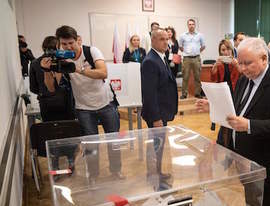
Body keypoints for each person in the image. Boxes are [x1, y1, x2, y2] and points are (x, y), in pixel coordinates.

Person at [197, 37, 270, 206]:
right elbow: (237, 109)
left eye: (247, 63)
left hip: (269, 165)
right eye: (240, 62)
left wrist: (249, 125)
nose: (241, 68)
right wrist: (214, 105)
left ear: (264, 59)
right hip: (247, 163)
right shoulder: (244, 80)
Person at [41, 25, 124, 180]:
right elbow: (52, 87)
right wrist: (47, 71)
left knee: (113, 141)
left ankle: (116, 170)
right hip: (84, 108)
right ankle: (93, 175)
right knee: (91, 146)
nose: (68, 47)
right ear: (59, 44)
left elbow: (103, 72)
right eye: (64, 44)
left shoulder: (91, 51)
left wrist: (78, 69)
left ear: (77, 40)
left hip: (106, 104)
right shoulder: (61, 59)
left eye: (71, 43)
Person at [141, 29, 178, 190]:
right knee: (156, 146)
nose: (166, 42)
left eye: (167, 39)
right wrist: (156, 118)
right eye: (162, 39)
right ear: (153, 40)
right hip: (156, 113)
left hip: (163, 111)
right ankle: (155, 178)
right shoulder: (150, 61)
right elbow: (149, 93)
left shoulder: (160, 57)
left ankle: (158, 172)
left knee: (159, 146)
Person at [29, 36, 75, 122]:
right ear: (58, 47)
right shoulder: (64, 62)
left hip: (46, 104)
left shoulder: (35, 63)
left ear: (43, 47)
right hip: (66, 103)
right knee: (69, 131)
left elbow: (33, 88)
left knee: (50, 132)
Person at [210, 39, 240, 147]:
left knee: (232, 121)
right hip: (223, 95)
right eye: (223, 50)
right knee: (225, 122)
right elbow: (214, 80)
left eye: (227, 49)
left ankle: (227, 144)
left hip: (235, 95)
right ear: (220, 52)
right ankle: (224, 144)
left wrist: (237, 66)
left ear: (231, 50)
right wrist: (214, 68)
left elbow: (244, 77)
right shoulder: (219, 64)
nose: (225, 52)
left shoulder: (237, 62)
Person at [179, 18, 206, 99]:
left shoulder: (200, 35)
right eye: (190, 24)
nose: (191, 26)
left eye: (193, 24)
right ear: (187, 25)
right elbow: (180, 47)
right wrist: (187, 52)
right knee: (185, 77)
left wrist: (197, 51)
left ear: (195, 25)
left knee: (197, 77)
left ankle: (197, 93)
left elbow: (203, 46)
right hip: (186, 59)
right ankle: (184, 94)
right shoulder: (182, 36)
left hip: (196, 58)